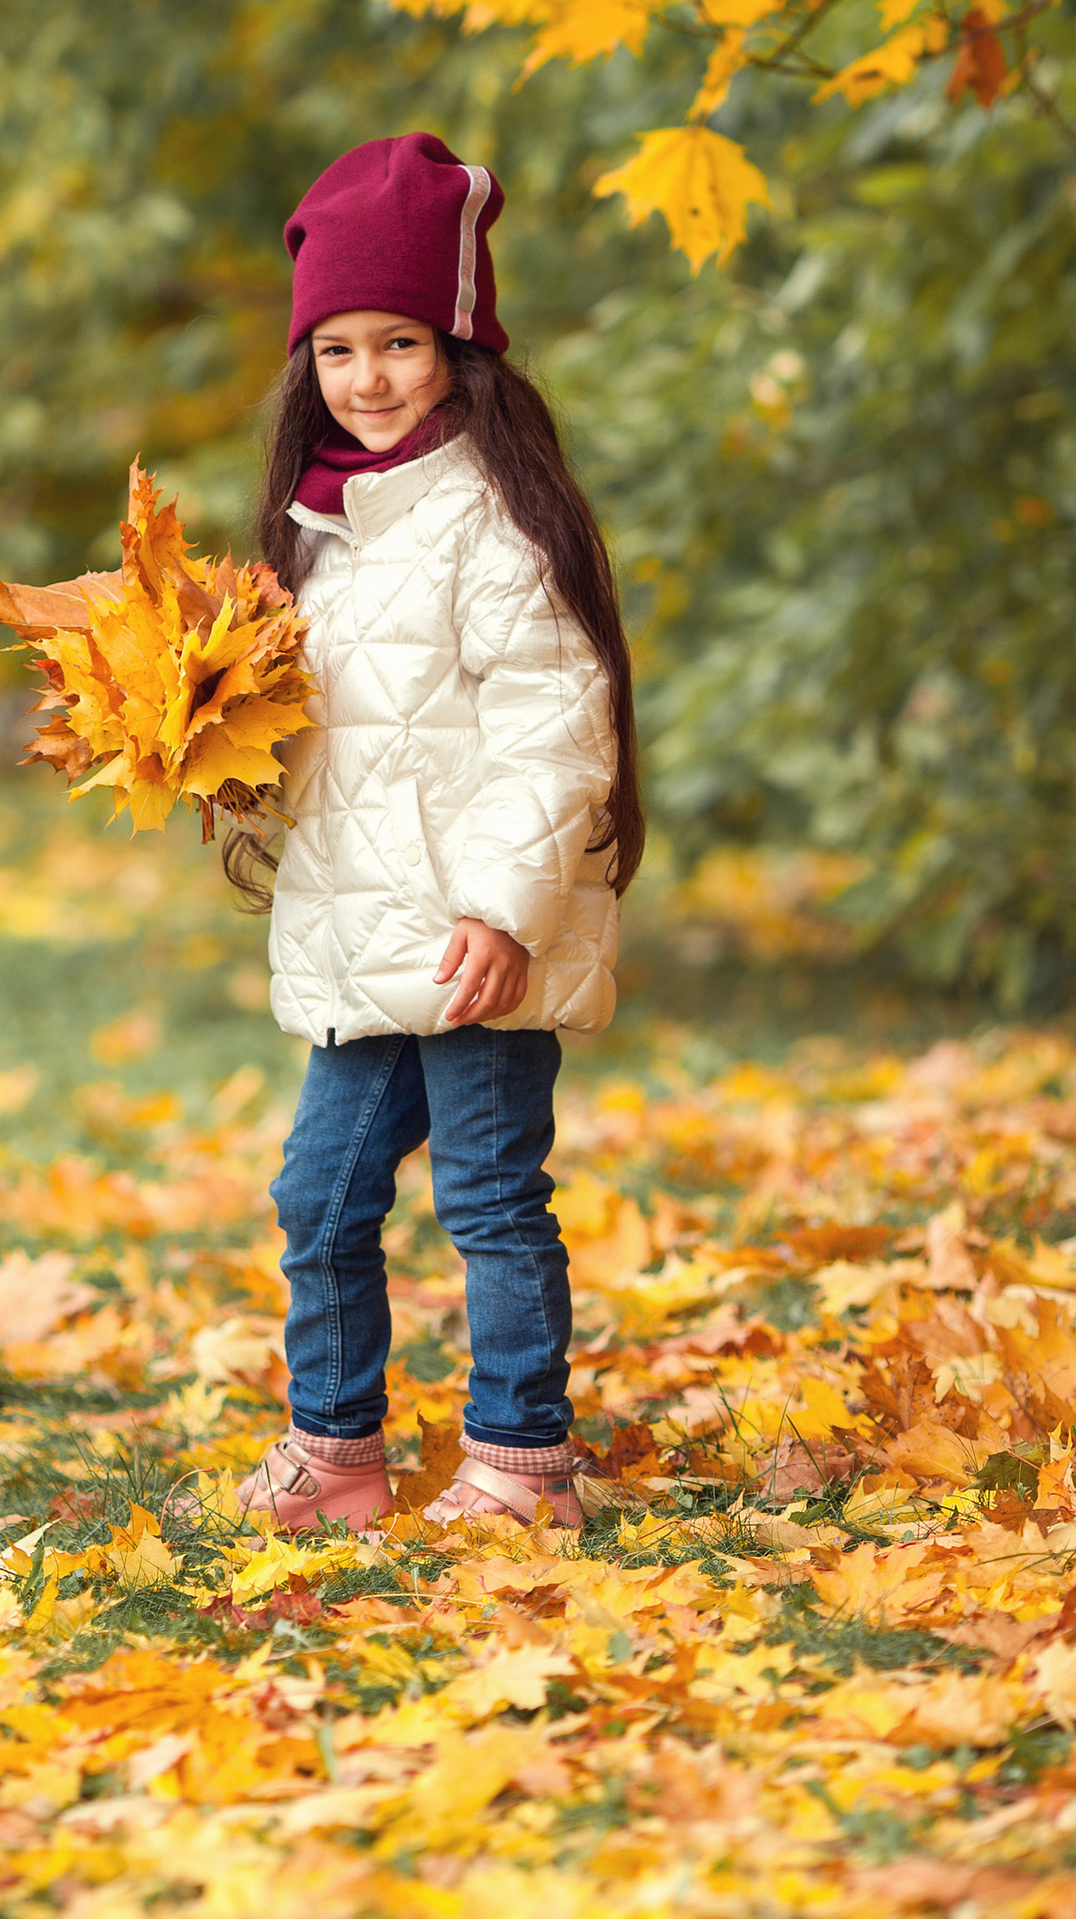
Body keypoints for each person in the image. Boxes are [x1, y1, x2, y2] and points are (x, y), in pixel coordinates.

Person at [219, 132, 641, 1538]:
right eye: (337, 350)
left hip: (477, 943)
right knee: (318, 1199)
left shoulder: (490, 518)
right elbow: (343, 739)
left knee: (488, 1199)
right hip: (370, 942)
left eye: (397, 341)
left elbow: (556, 722)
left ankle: (522, 1462)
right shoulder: (325, 528)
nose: (368, 378)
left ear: (459, 343)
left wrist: (504, 913)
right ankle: (337, 1454)